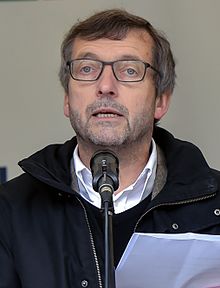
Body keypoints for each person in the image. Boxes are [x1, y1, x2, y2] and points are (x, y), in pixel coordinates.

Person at [0, 8, 220, 288]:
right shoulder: (10, 208)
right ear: (67, 99)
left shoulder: (215, 205)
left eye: (129, 70)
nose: (105, 86)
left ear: (160, 101)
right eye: (87, 69)